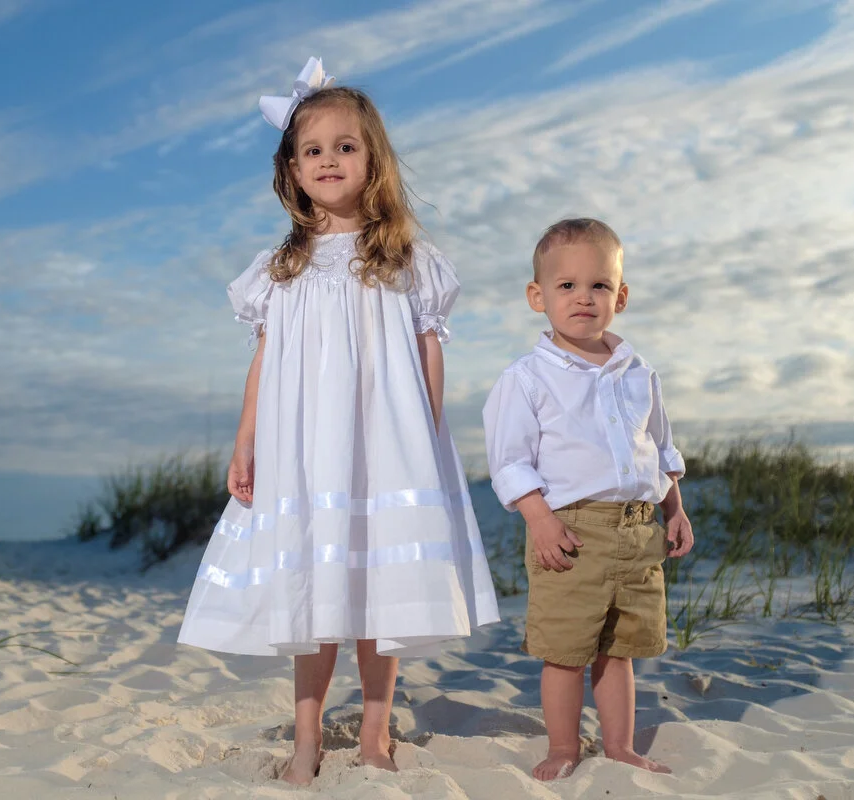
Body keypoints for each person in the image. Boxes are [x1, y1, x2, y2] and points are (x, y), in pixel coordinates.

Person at [178, 57, 499, 785]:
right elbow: (264, 362)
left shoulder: (405, 258)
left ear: (372, 159)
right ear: (290, 169)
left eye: (344, 146)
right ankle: (307, 736)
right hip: (302, 449)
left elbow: (427, 354)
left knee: (376, 587)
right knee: (311, 586)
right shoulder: (280, 268)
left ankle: (378, 730)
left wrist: (429, 434)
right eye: (312, 149)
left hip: (384, 443)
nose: (328, 159)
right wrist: (245, 439)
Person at [482, 218, 694, 781]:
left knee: (619, 647)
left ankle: (620, 746)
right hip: (570, 531)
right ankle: (562, 747)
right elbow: (509, 461)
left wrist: (675, 508)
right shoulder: (528, 379)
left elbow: (660, 447)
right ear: (538, 296)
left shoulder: (639, 373)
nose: (583, 297)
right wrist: (539, 521)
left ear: (619, 297)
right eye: (566, 286)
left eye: (599, 286)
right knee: (566, 649)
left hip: (638, 528)